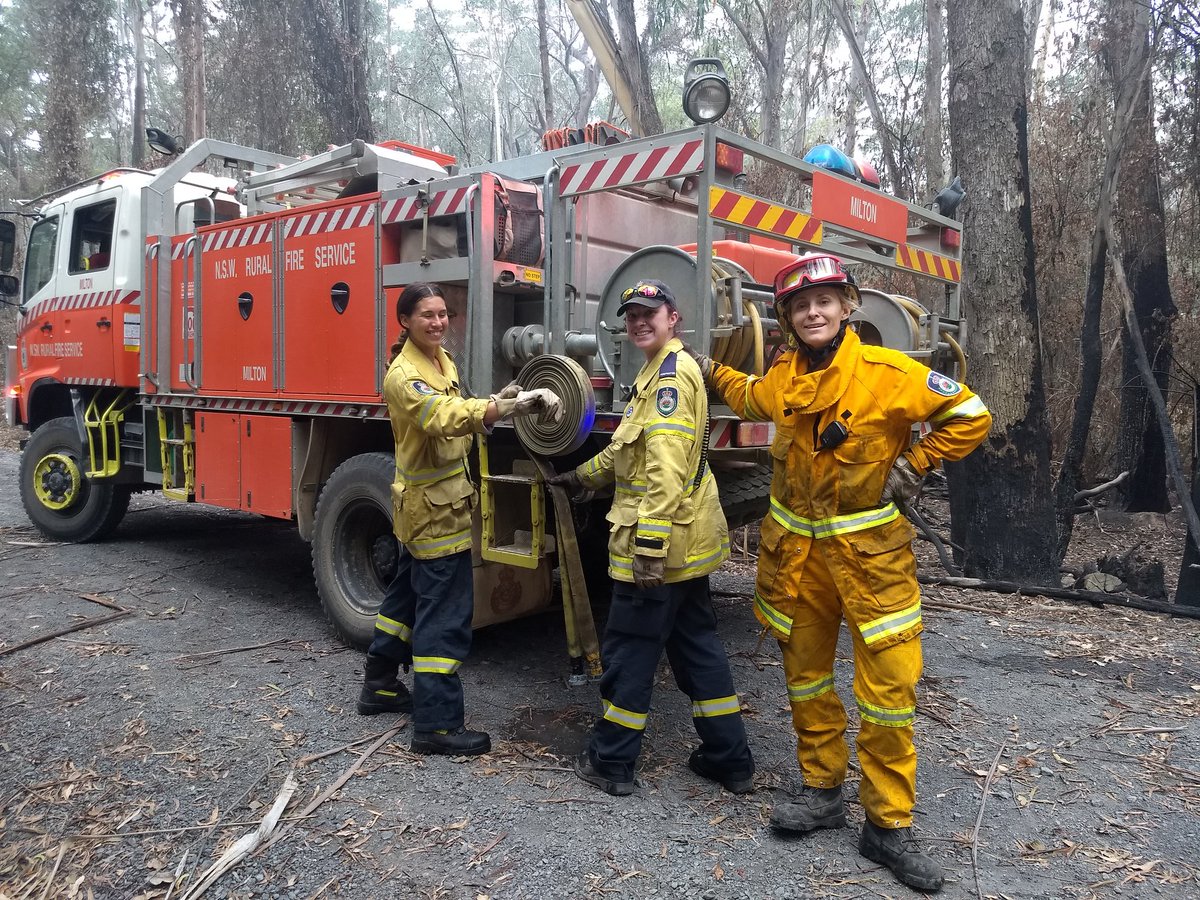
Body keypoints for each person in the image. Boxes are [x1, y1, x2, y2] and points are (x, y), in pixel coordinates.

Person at [692, 254, 990, 892]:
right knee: (806, 682)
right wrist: (707, 368)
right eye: (800, 306)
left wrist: (915, 464)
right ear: (788, 320)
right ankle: (822, 789)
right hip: (798, 564)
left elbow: (969, 415)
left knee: (888, 694)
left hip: (871, 563)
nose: (814, 312)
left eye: (825, 301)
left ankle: (887, 825)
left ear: (849, 305)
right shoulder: (785, 376)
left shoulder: (888, 375)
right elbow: (750, 396)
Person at [549, 279, 755, 796]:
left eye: (649, 313)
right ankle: (729, 759)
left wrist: (648, 549)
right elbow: (627, 452)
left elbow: (663, 471)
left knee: (630, 654)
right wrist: (581, 477)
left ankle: (612, 761)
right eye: (632, 315)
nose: (639, 321)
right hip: (686, 551)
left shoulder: (668, 379)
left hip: (658, 553)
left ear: (673, 317)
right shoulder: (658, 372)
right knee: (698, 650)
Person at [357, 281, 563, 756]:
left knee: (405, 599)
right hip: (434, 511)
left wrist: (501, 395)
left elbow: (463, 406)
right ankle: (437, 725)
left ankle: (381, 685)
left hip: (433, 504)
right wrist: (510, 406)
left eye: (443, 313)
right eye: (427, 314)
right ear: (404, 320)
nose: (438, 322)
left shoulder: (440, 359)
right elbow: (445, 417)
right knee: (444, 617)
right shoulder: (404, 375)